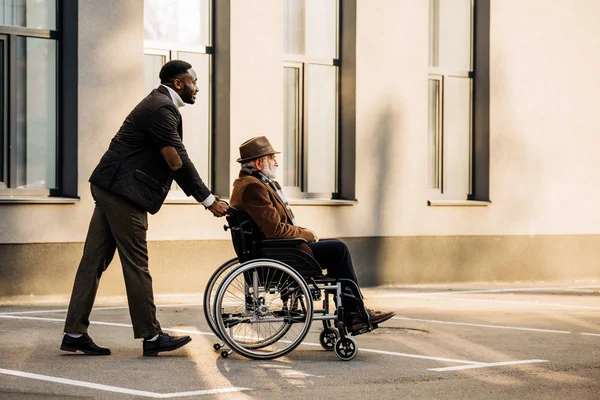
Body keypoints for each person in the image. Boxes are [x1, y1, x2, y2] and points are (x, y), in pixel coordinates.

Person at [61, 60, 229, 356]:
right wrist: (208, 200)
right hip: (123, 192)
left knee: (94, 260)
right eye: (194, 81)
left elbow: (172, 157)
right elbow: (176, 160)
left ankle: (74, 332)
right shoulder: (161, 109)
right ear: (179, 83)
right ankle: (151, 336)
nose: (197, 87)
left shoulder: (159, 104)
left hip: (111, 186)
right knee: (136, 262)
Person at [229, 136, 395, 333]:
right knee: (338, 249)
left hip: (276, 251)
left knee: (334, 247)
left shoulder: (252, 184)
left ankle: (353, 311)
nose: (276, 162)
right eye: (272, 157)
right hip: (279, 255)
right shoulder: (253, 187)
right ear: (259, 162)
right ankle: (354, 313)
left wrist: (304, 234)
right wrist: (307, 234)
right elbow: (275, 231)